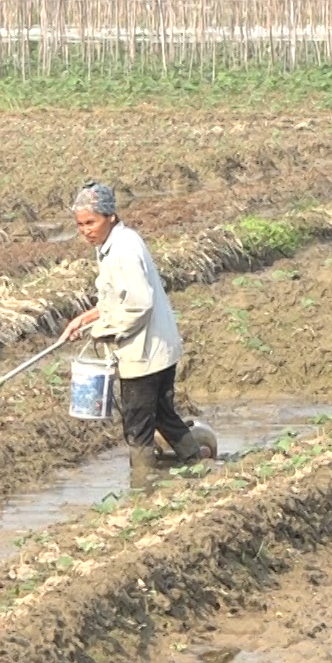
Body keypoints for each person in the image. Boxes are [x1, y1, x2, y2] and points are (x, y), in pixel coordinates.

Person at [60, 181, 213, 477]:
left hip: (145, 353)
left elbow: (139, 305)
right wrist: (85, 318)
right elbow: (117, 297)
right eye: (80, 225)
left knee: (137, 425)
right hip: (159, 346)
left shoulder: (123, 251)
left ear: (110, 217)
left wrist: (104, 330)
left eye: (91, 222)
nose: (85, 230)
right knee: (163, 415)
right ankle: (198, 465)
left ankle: (141, 486)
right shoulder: (113, 244)